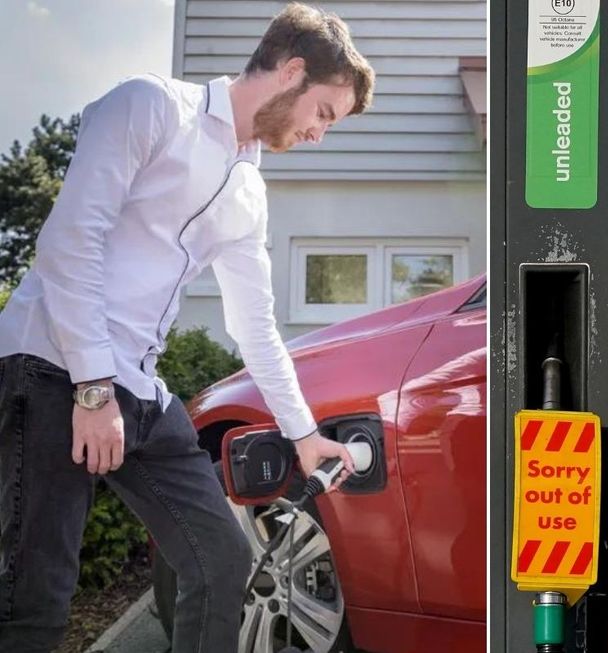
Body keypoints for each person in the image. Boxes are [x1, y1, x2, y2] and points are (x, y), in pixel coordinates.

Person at [0, 3, 375, 651]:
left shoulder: (247, 188)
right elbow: (69, 243)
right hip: (52, 367)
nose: (320, 133)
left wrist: (305, 434)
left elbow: (253, 322)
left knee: (221, 559)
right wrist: (91, 387)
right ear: (291, 72)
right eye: (324, 113)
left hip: (139, 392)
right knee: (37, 598)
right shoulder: (148, 107)